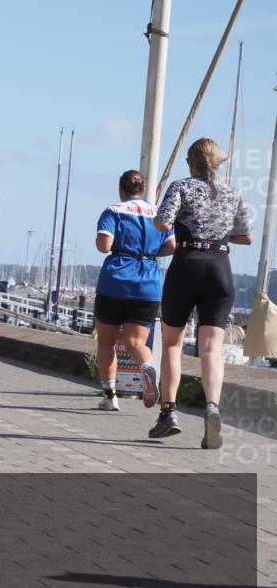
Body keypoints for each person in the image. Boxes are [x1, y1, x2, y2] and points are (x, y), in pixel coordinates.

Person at [151, 138, 253, 448]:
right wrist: (218, 235)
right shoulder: (233, 194)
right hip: (219, 267)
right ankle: (212, 409)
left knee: (172, 343)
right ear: (218, 163)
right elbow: (247, 237)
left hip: (187, 264)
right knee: (211, 349)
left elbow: (162, 223)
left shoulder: (181, 187)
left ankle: (168, 413)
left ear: (190, 163)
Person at [93, 170, 175, 412]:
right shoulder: (159, 214)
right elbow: (172, 246)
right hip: (148, 284)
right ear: (143, 190)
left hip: (115, 282)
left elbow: (104, 245)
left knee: (106, 343)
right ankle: (147, 367)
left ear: (121, 190)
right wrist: (150, 252)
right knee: (136, 341)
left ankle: (110, 397)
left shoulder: (113, 211)